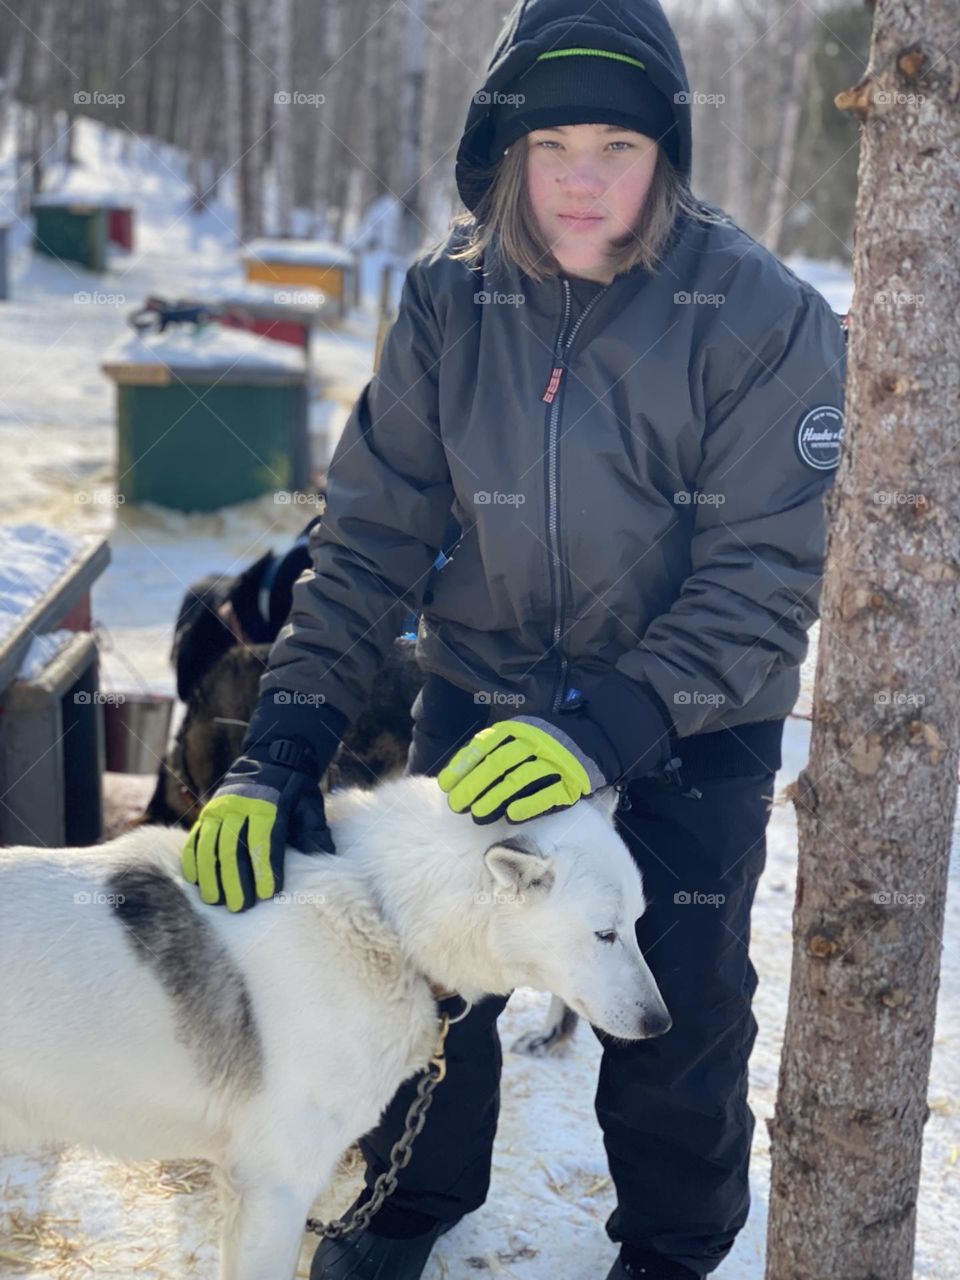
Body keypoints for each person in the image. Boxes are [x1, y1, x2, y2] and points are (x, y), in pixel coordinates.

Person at [180, 1, 847, 1276]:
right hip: (481, 693)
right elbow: (368, 537)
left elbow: (762, 575)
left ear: (669, 156)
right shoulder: (447, 299)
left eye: (618, 144)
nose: (582, 179)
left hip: (685, 724)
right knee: (423, 980)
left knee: (680, 995)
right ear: (505, 152)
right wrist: (280, 746)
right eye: (552, 146)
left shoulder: (760, 314)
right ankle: (408, 1204)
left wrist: (607, 725)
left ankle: (672, 1243)